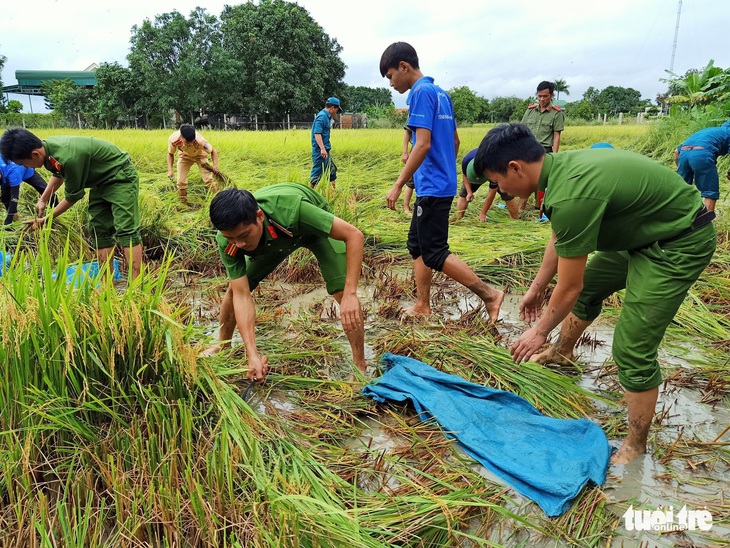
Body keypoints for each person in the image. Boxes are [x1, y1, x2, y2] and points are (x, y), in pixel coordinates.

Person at [474, 123, 716, 464]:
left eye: (498, 183)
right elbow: (560, 239)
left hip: (679, 241)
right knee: (591, 288)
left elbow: (569, 286)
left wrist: (538, 331)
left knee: (632, 347)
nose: (500, 190)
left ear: (515, 167)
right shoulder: (557, 172)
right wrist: (535, 290)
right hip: (645, 231)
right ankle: (563, 353)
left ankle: (635, 446)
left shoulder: (571, 192)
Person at [380, 41, 504, 322]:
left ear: (403, 67)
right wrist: (446, 167)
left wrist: (399, 184)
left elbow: (421, 145)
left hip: (433, 187)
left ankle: (490, 295)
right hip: (438, 183)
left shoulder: (420, 93)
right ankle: (423, 304)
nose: (391, 83)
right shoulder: (440, 93)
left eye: (390, 76)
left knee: (435, 252)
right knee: (417, 245)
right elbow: (455, 140)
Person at [205, 184, 367, 382]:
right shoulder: (227, 241)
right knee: (235, 289)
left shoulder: (294, 210)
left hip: (312, 229)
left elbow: (354, 235)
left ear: (259, 217)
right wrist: (252, 355)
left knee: (342, 291)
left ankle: (360, 364)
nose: (238, 245)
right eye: (231, 238)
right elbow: (241, 295)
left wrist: (350, 294)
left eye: (244, 235)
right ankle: (223, 345)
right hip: (274, 239)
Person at [0, 127, 144, 279]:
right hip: (100, 181)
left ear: (35, 154)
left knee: (125, 228)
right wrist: (43, 199)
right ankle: (107, 282)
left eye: (24, 163)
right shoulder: (48, 150)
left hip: (120, 176)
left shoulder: (69, 157)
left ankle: (136, 284)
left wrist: (46, 220)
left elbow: (72, 197)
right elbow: (58, 173)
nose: (25, 167)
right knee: (99, 230)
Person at [520, 81, 564, 216]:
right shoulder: (530, 110)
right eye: (539, 96)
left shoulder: (557, 113)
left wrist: (555, 156)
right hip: (528, 148)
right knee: (526, 178)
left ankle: (539, 208)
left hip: (544, 150)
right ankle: (521, 208)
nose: (541, 99)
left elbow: (556, 136)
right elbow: (522, 130)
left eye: (545, 96)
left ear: (551, 95)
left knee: (541, 181)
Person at [674, 120, 730, 213]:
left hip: (683, 153)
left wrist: (683, 169)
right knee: (710, 194)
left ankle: (676, 218)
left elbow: (676, 152)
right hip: (702, 154)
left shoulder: (711, 130)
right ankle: (704, 225)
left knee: (681, 191)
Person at [454, 148, 519, 221]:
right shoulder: (466, 161)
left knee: (507, 194)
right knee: (464, 193)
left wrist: (483, 213)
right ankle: (458, 218)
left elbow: (492, 193)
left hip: (495, 168)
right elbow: (465, 176)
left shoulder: (494, 170)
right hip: (481, 166)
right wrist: (469, 192)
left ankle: (516, 220)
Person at [167, 123, 220, 204]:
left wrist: (215, 165)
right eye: (187, 142)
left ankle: (218, 201)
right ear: (181, 136)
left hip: (200, 156)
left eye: (191, 142)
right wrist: (170, 170)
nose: (190, 144)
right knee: (181, 182)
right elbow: (170, 154)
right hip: (184, 156)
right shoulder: (173, 140)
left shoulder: (200, 140)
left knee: (209, 179)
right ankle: (183, 204)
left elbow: (213, 151)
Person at [0, 157, 57, 225]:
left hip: (27, 172)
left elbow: (14, 197)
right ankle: (15, 222)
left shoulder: (13, 171)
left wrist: (9, 218)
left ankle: (55, 212)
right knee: (5, 198)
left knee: (47, 191)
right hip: (7, 175)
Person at [310, 97, 342, 189]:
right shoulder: (322, 116)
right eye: (336, 109)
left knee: (332, 171)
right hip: (320, 151)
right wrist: (322, 149)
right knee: (316, 174)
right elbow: (317, 133)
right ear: (332, 107)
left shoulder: (326, 116)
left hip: (325, 151)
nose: (336, 112)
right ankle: (308, 193)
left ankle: (332, 192)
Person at [402, 126, 415, 214]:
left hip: (433, 150)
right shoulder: (417, 112)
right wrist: (405, 152)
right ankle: (406, 207)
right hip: (417, 149)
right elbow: (407, 131)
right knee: (411, 180)